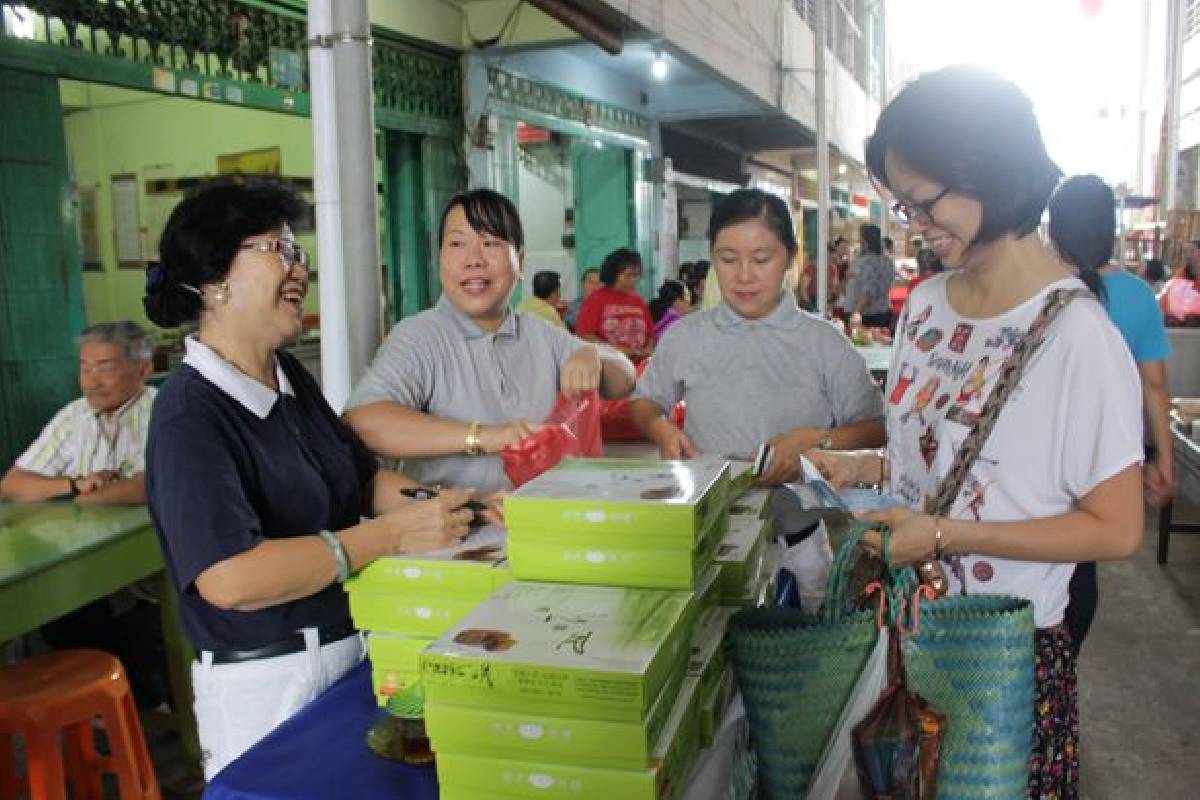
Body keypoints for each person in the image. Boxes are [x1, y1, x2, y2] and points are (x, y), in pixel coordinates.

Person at [808, 66, 1143, 797]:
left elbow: (1116, 530)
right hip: (903, 628)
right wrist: (861, 467)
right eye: (902, 206)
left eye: (923, 203)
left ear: (990, 173)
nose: (914, 224)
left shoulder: (1076, 335)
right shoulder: (925, 305)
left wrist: (946, 537)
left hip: (1002, 650)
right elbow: (937, 458)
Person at [143, 179, 484, 779]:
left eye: (298, 253)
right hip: (268, 688)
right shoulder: (188, 414)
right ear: (215, 280)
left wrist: (455, 507)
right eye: (276, 250)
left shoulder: (289, 380)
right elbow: (229, 576)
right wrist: (386, 538)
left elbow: (360, 479)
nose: (299, 269)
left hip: (354, 659)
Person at [344, 190, 635, 495]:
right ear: (440, 260)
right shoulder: (419, 338)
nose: (473, 260)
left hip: (544, 522)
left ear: (520, 263)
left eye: (490, 243)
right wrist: (485, 437)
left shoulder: (541, 334)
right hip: (455, 532)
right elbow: (364, 423)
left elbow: (623, 382)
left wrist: (592, 354)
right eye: (457, 243)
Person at [630, 188, 885, 486]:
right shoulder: (686, 336)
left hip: (805, 516)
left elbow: (876, 428)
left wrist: (818, 441)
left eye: (762, 259)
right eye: (728, 259)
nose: (744, 275)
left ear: (790, 257)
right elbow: (643, 403)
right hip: (711, 505)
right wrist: (661, 429)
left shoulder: (824, 342)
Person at [1, 320, 167, 709]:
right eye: (84, 367)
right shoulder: (75, 416)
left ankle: (142, 710)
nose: (90, 380)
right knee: (54, 613)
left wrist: (94, 497)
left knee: (134, 631)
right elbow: (13, 483)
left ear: (142, 369)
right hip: (84, 576)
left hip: (147, 579)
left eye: (105, 366)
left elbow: (148, 486)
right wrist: (75, 486)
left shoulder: (160, 411)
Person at [1048, 174, 1174, 654]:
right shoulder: (1139, 297)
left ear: (1053, 233)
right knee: (1081, 561)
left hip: (1042, 457)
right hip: (1103, 462)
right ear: (1111, 232)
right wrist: (1162, 458)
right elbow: (1155, 384)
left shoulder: (1038, 294)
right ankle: (1058, 670)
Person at [575, 247, 655, 359]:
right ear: (613, 274)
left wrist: (647, 351)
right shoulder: (595, 300)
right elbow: (586, 336)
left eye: (636, 275)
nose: (633, 280)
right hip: (610, 365)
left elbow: (650, 334)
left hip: (640, 365)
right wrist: (620, 351)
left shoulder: (638, 301)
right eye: (628, 275)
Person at [843, 223, 896, 329]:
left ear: (865, 241)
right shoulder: (888, 261)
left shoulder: (865, 262)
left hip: (865, 315)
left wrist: (856, 314)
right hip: (883, 310)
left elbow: (867, 292)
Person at [1159, 242, 1200, 326]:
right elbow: (1168, 297)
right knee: (1170, 320)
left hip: (1194, 318)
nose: (1188, 255)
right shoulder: (1181, 274)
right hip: (1183, 317)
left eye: (1192, 251)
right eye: (1185, 252)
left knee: (1192, 320)